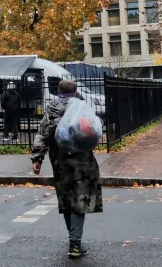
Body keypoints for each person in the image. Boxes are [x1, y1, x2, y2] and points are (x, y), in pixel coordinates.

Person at [31, 80, 102, 258]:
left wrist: (37, 158)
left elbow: (42, 133)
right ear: (75, 91)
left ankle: (74, 240)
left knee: (66, 198)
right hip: (82, 160)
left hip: (60, 160)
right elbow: (93, 129)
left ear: (58, 91)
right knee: (80, 199)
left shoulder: (52, 109)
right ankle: (75, 244)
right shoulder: (81, 107)